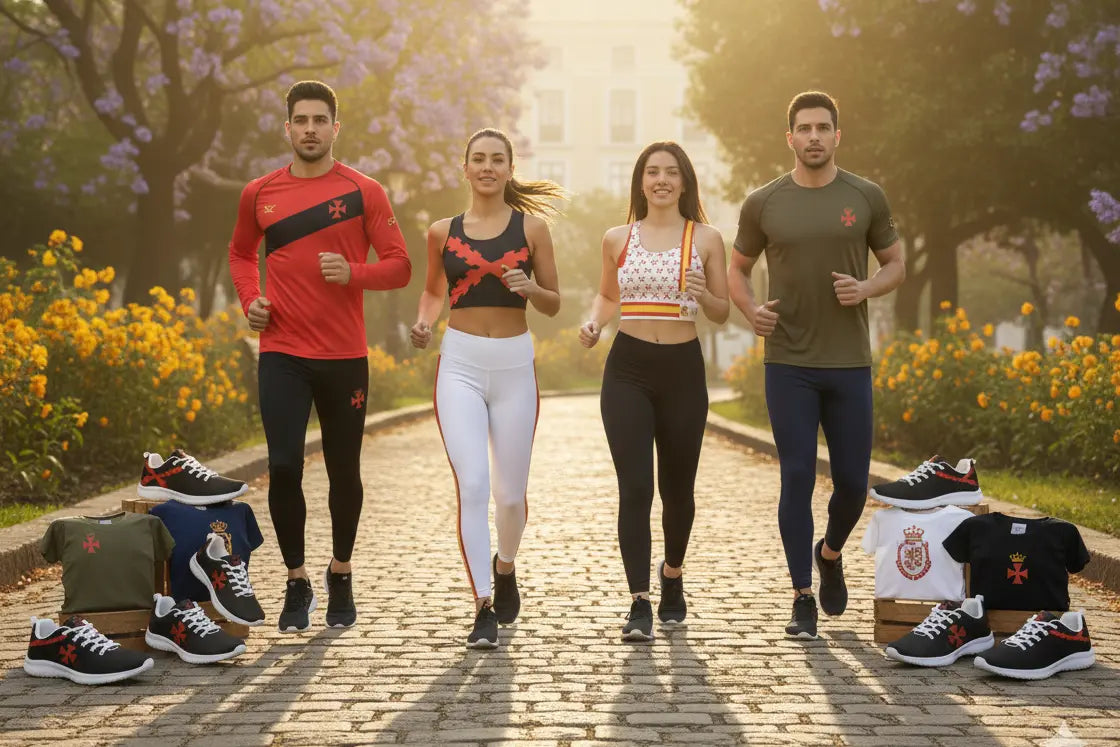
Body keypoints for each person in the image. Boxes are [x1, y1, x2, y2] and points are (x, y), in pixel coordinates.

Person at [228, 80, 411, 633]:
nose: (310, 129)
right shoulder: (259, 192)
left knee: (343, 471)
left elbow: (400, 265)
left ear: (336, 127)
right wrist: (249, 302)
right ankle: (296, 580)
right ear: (287, 128)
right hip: (282, 350)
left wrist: (353, 272)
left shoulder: (365, 192)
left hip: (344, 357)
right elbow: (240, 253)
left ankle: (341, 571)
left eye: (319, 120)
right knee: (282, 465)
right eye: (300, 120)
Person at [726, 90, 905, 639]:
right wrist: (750, 309)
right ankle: (802, 593)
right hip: (789, 363)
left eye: (823, 128)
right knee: (798, 474)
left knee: (852, 483)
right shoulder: (763, 202)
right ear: (790, 138)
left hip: (849, 362)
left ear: (836, 136)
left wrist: (867, 287)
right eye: (803, 128)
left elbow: (895, 263)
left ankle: (829, 553)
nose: (813, 137)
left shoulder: (866, 196)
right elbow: (737, 268)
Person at [409, 128, 562, 649]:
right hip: (461, 366)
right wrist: (425, 322)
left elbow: (553, 303)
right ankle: (482, 606)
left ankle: (506, 564)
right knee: (473, 486)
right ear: (465, 167)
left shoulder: (533, 229)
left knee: (511, 497)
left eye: (498, 159)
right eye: (479, 159)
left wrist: (531, 287)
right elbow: (433, 291)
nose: (488, 167)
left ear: (510, 168)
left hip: (515, 366)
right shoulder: (441, 231)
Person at [578, 141, 729, 642]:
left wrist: (704, 291)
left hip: (683, 370)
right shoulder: (617, 237)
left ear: (684, 181)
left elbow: (722, 311)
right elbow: (606, 294)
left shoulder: (706, 239)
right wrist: (595, 323)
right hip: (628, 370)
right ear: (640, 182)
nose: (661, 179)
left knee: (678, 491)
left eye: (671, 172)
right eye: (652, 172)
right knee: (636, 487)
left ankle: (673, 576)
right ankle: (639, 600)